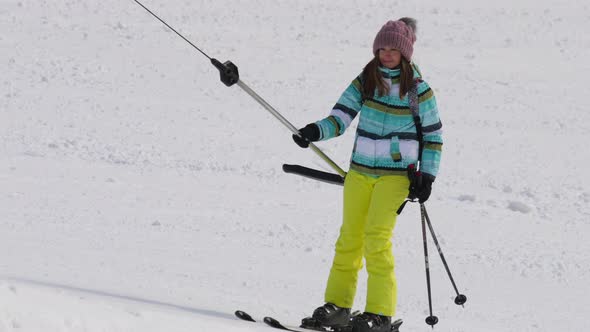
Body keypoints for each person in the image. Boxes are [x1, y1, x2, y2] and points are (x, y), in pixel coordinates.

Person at [292, 18, 443, 332]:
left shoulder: (418, 91)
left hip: (395, 177)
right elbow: (341, 115)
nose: (386, 54)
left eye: (393, 49)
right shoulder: (367, 79)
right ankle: (338, 306)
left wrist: (426, 176)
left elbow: (432, 136)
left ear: (405, 53)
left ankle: (379, 314)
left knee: (376, 239)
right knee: (349, 239)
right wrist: (314, 131)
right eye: (381, 48)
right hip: (360, 172)